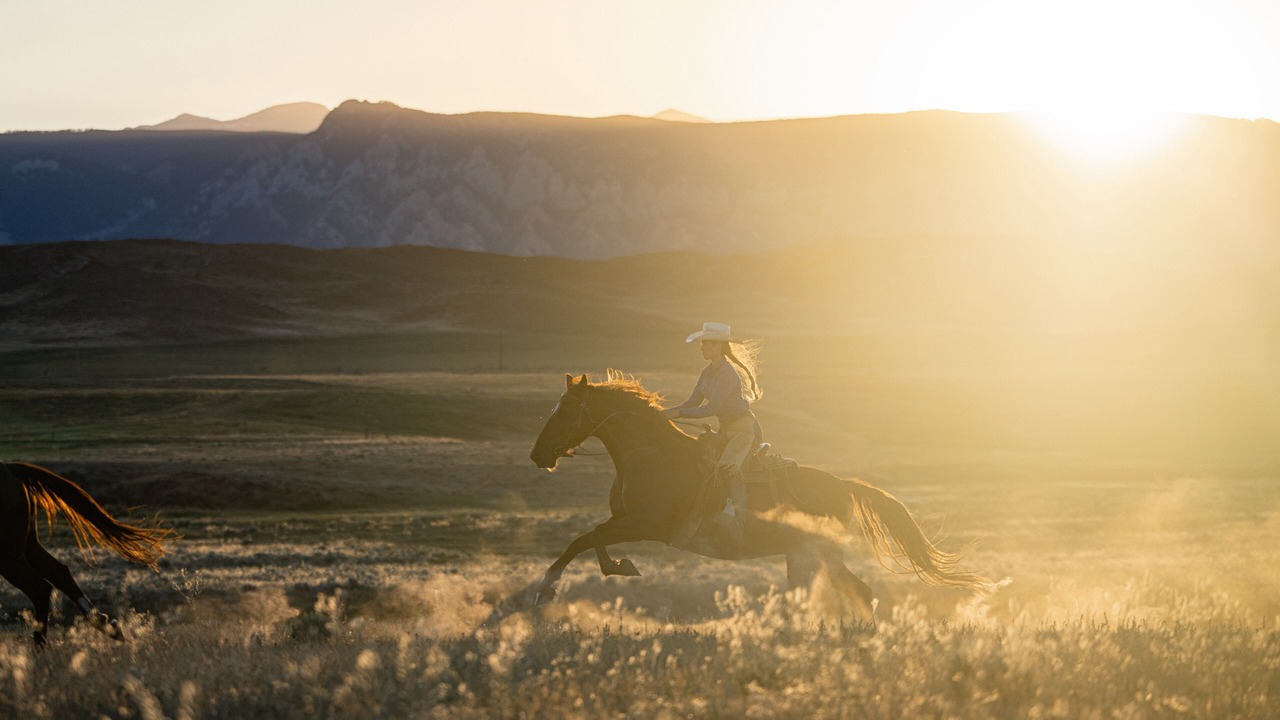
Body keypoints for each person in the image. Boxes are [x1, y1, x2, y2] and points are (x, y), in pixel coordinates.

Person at [661, 322, 763, 541]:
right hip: (726, 431)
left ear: (720, 346)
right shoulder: (707, 373)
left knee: (727, 469)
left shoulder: (728, 374)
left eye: (707, 343)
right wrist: (664, 412)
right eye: (702, 342)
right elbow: (691, 403)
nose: (702, 346)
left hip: (744, 431)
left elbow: (710, 409)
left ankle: (737, 519)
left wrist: (677, 415)